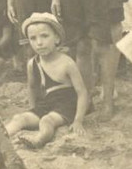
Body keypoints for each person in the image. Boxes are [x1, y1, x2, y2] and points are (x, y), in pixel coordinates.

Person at [5, 14, 89, 149]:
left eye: (44, 36)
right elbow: (32, 87)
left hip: (66, 105)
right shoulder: (32, 63)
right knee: (19, 118)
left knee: (46, 121)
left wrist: (78, 120)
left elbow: (82, 92)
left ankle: (39, 139)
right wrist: (33, 109)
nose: (39, 42)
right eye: (33, 38)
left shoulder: (67, 63)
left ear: (56, 38)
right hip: (46, 104)